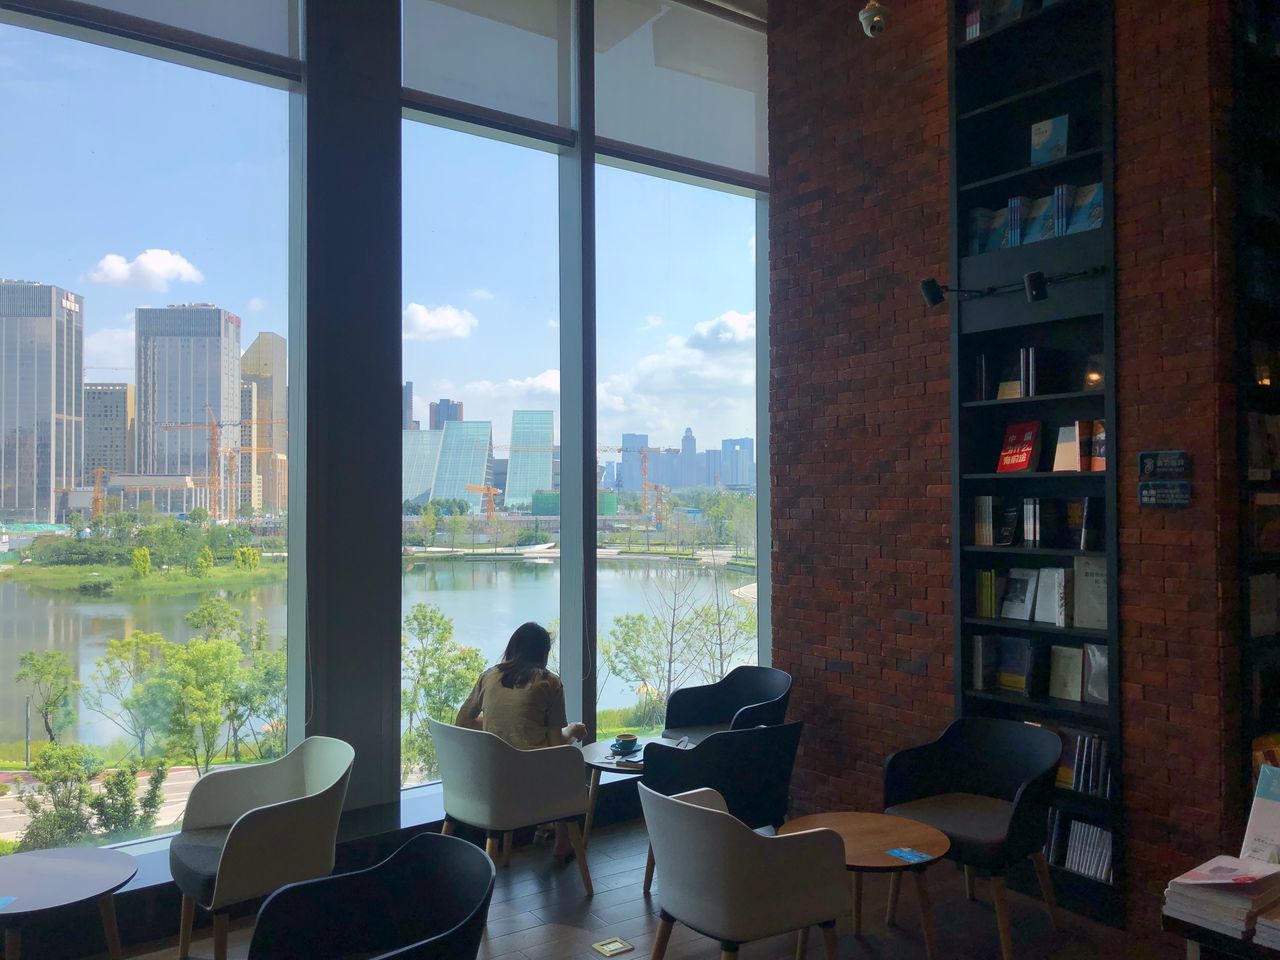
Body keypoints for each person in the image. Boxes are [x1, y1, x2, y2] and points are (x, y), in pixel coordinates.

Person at [455, 621, 587, 860]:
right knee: (566, 766)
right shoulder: (550, 683)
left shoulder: (489, 677)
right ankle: (561, 843)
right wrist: (574, 729)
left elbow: (462, 722)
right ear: (544, 653)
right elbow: (557, 746)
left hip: (491, 784)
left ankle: (544, 828)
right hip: (529, 787)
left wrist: (498, 725)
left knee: (541, 758)